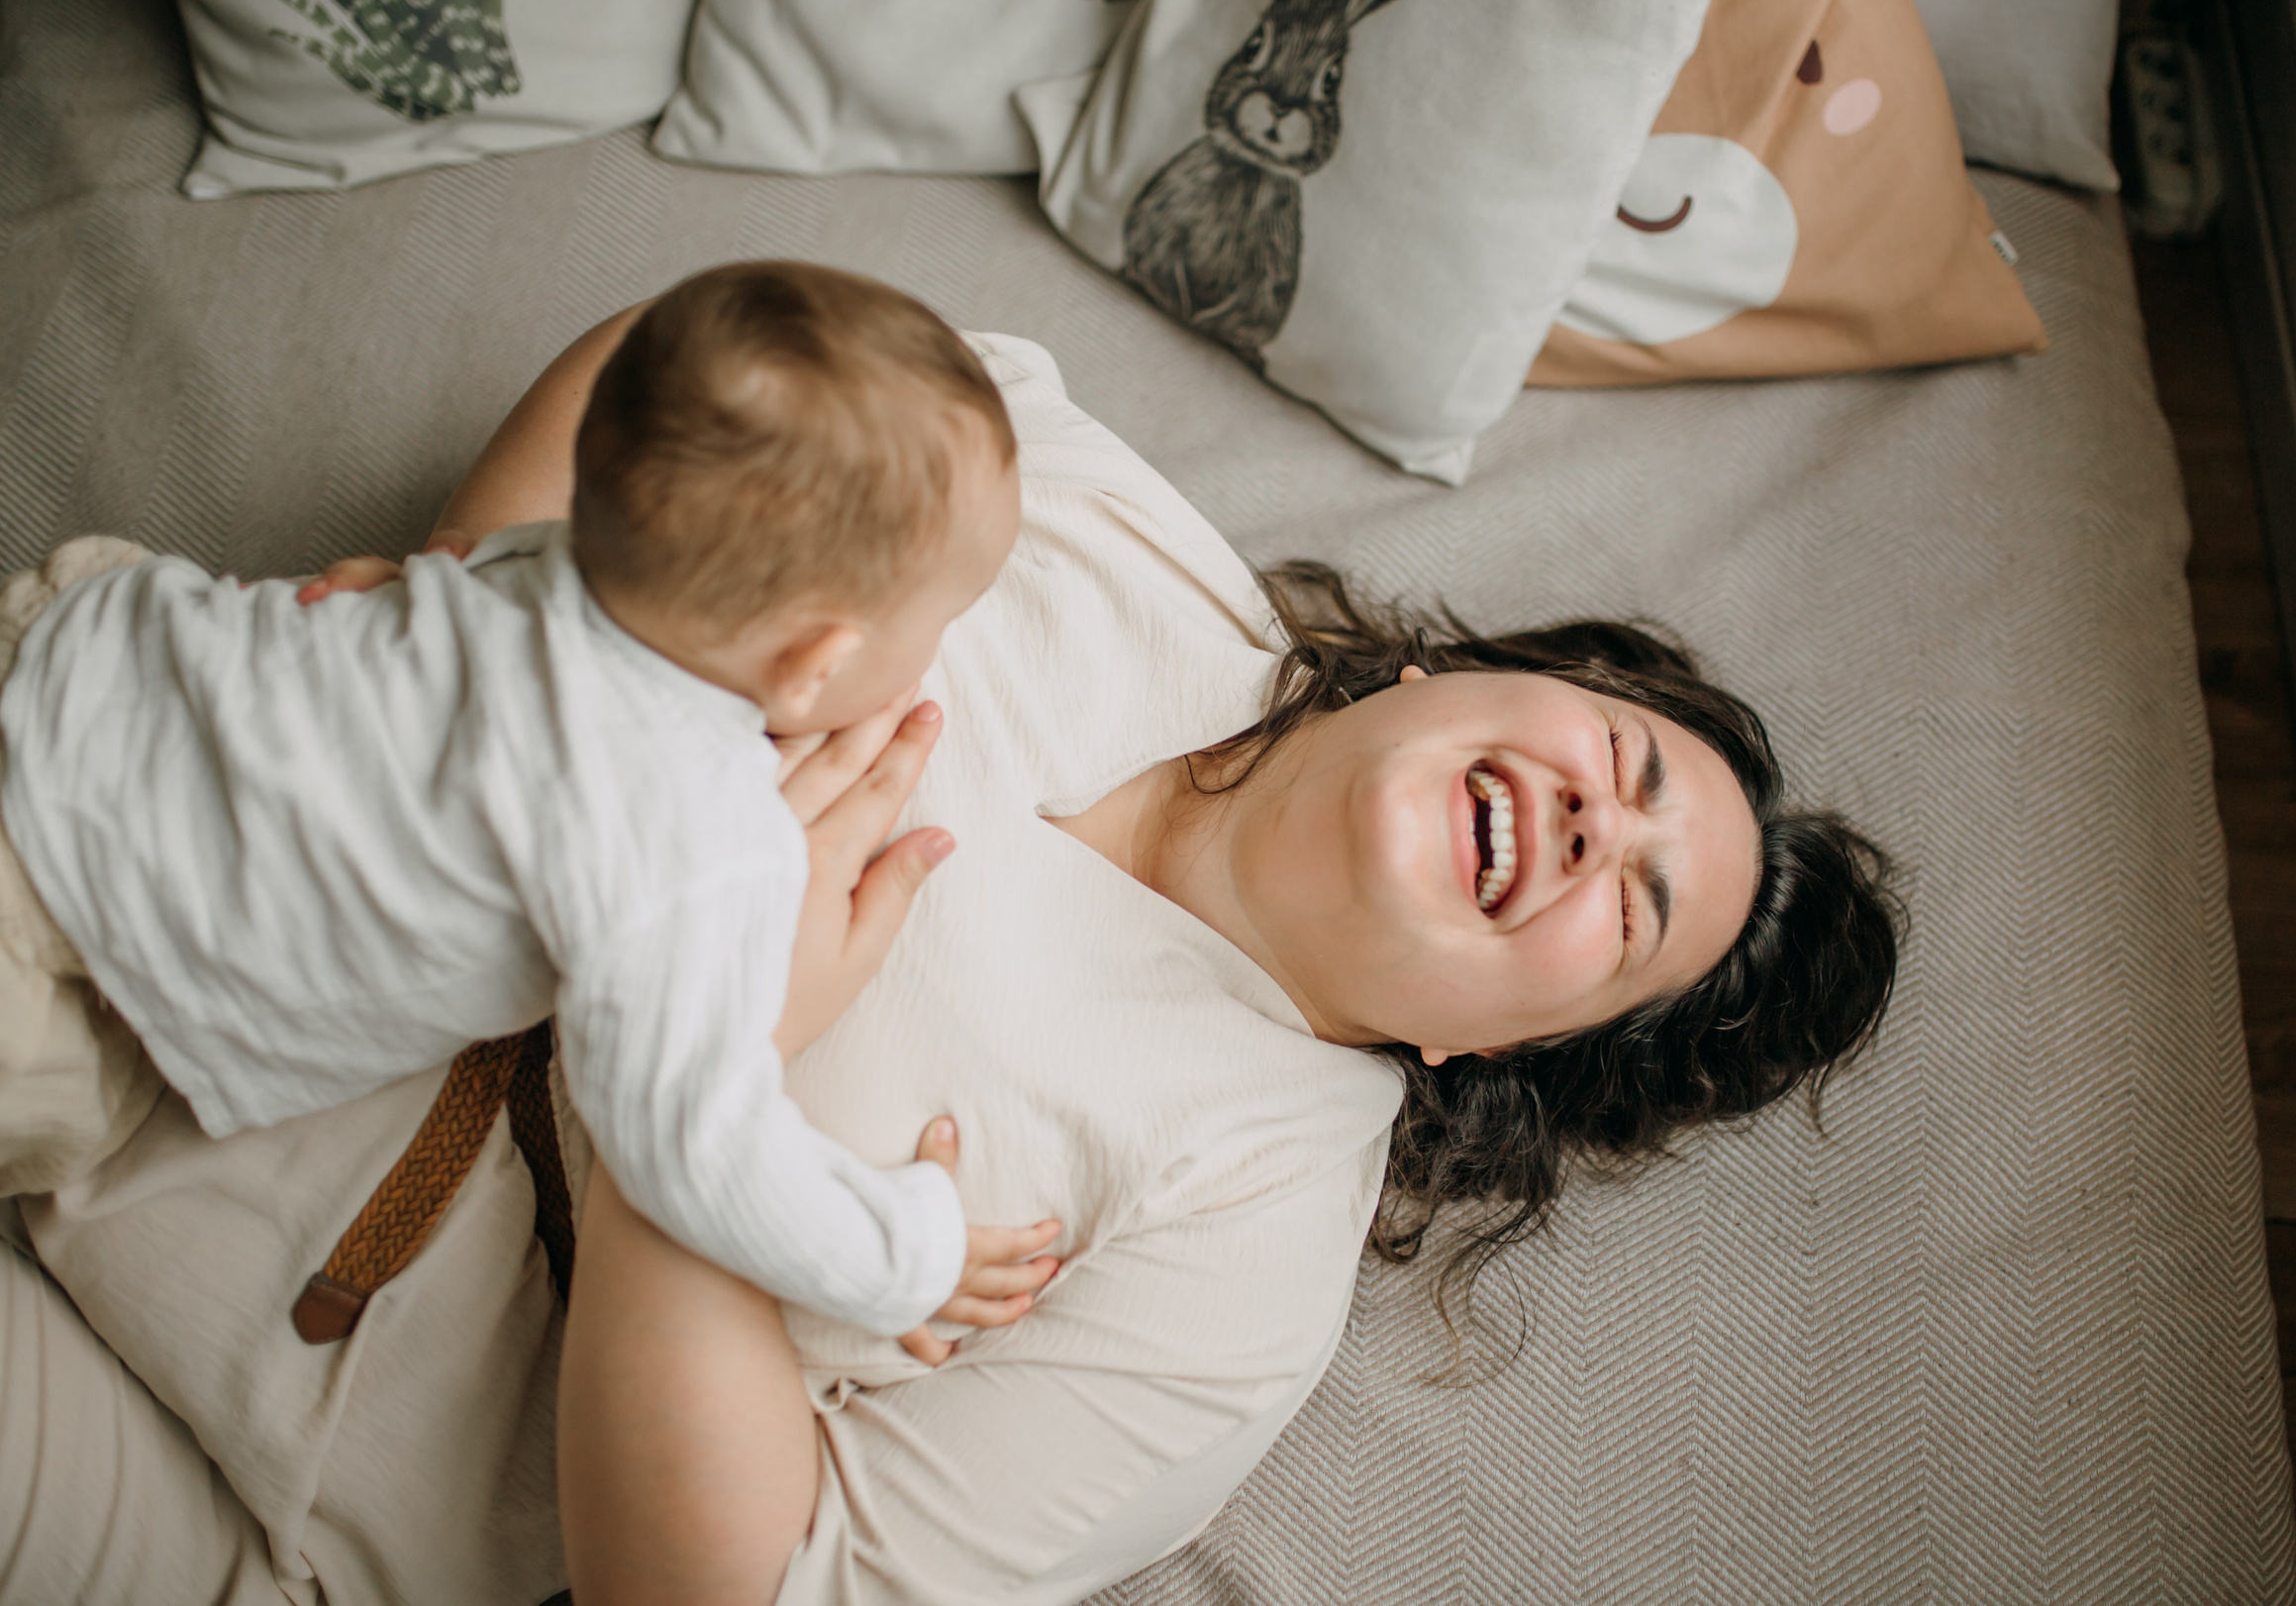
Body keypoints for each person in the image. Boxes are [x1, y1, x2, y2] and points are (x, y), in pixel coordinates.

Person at [2, 317, 1902, 1606]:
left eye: (1632, 909)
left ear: (1489, 1055)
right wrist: (481, 617)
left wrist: (712, 1109)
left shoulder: (1240, 1267)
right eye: (1625, 764)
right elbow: (718, 359)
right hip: (174, 849)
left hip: (256, 1445)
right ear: (1453, 671)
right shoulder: (1109, 536)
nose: (1597, 825)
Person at [0, 261, 1058, 1358]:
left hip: (82, 650)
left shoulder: (560, 554)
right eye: (942, 619)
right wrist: (905, 1257)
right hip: (60, 944)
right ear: (811, 663)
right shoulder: (692, 837)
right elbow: (697, 1145)